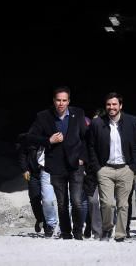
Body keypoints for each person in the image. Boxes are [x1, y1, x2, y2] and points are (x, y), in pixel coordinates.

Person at [28, 86, 88, 240]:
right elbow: (31, 138)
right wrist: (48, 140)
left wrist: (83, 157)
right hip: (55, 165)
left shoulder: (78, 113)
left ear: (69, 101)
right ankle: (66, 233)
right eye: (58, 100)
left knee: (76, 201)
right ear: (53, 101)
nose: (61, 103)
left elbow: (86, 138)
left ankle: (78, 232)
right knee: (61, 203)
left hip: (75, 164)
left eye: (64, 100)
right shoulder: (43, 117)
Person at [88, 92, 136, 242]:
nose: (111, 107)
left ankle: (120, 234)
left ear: (120, 106)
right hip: (105, 169)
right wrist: (98, 167)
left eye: (114, 104)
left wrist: (134, 167)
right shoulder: (97, 123)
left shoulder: (131, 121)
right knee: (107, 203)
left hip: (126, 168)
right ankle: (106, 229)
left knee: (123, 205)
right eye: (108, 104)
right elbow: (91, 146)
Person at [17, 132, 58, 237]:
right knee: (34, 198)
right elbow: (22, 154)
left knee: (47, 199)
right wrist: (25, 169)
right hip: (33, 172)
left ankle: (48, 225)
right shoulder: (30, 139)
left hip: (48, 171)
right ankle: (40, 219)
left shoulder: (53, 136)